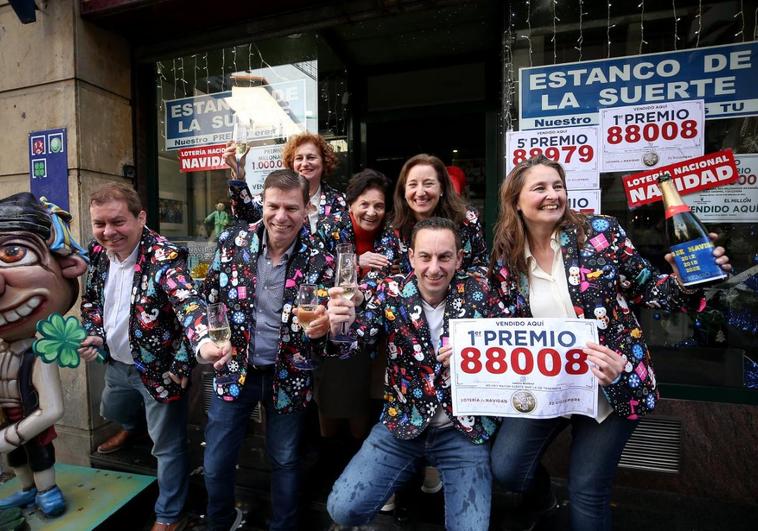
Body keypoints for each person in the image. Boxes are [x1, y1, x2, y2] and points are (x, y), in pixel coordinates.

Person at [487, 155, 732, 530]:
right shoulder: (507, 258)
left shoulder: (600, 233)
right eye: (540, 188)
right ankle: (543, 502)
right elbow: (503, 323)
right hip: (550, 387)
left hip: (612, 388)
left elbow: (652, 290)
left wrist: (691, 278)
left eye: (558, 186)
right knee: (505, 467)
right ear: (516, 201)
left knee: (587, 493)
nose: (553, 195)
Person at [326, 217, 505, 531]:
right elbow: (351, 344)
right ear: (410, 256)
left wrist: (481, 359)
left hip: (462, 430)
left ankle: (414, 471)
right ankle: (408, 469)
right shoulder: (390, 291)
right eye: (425, 256)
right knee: (343, 509)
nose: (434, 268)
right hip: (401, 424)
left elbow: (515, 346)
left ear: (459, 258)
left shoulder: (482, 291)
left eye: (444, 257)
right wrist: (340, 325)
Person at [79, 183, 225, 531]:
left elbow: (188, 304)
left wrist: (199, 344)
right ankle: (130, 427)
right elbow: (91, 301)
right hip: (115, 363)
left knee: (167, 446)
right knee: (111, 410)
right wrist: (93, 331)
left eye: (118, 222)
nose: (108, 232)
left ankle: (169, 515)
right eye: (100, 224)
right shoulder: (98, 254)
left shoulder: (165, 257)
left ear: (140, 217)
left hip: (161, 373)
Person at [199, 169, 334, 531]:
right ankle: (220, 523)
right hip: (235, 370)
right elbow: (207, 298)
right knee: (215, 461)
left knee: (286, 460)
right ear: (262, 204)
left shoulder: (323, 259)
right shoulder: (232, 242)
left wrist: (326, 331)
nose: (281, 216)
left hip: (289, 374)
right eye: (273, 206)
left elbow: (333, 334)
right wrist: (207, 340)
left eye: (291, 208)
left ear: (306, 209)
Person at [0, 193, 88, 518]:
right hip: (6, 418)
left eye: (12, 253)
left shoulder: (41, 354)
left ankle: (47, 489)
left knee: (38, 453)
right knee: (17, 458)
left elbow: (52, 409)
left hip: (29, 422)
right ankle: (25, 491)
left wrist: (12, 435)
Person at [314, 169, 395, 466]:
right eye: (364, 204)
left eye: (379, 205)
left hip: (368, 332)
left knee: (361, 396)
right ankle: (330, 458)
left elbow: (388, 279)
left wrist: (362, 291)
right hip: (330, 325)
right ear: (350, 204)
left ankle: (357, 460)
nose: (372, 212)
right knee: (330, 397)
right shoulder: (329, 227)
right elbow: (312, 272)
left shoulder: (390, 233)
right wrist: (355, 264)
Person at [223, 132, 348, 237]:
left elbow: (347, 241)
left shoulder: (340, 201)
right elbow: (246, 217)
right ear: (291, 163)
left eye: (311, 157)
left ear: (324, 161)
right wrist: (239, 176)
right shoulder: (277, 195)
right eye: (299, 158)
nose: (304, 163)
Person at [388, 154, 487, 275]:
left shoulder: (467, 220)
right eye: (413, 185)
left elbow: (482, 266)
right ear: (404, 191)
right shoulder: (393, 227)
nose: (420, 193)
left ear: (442, 189)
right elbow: (381, 273)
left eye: (428, 184)